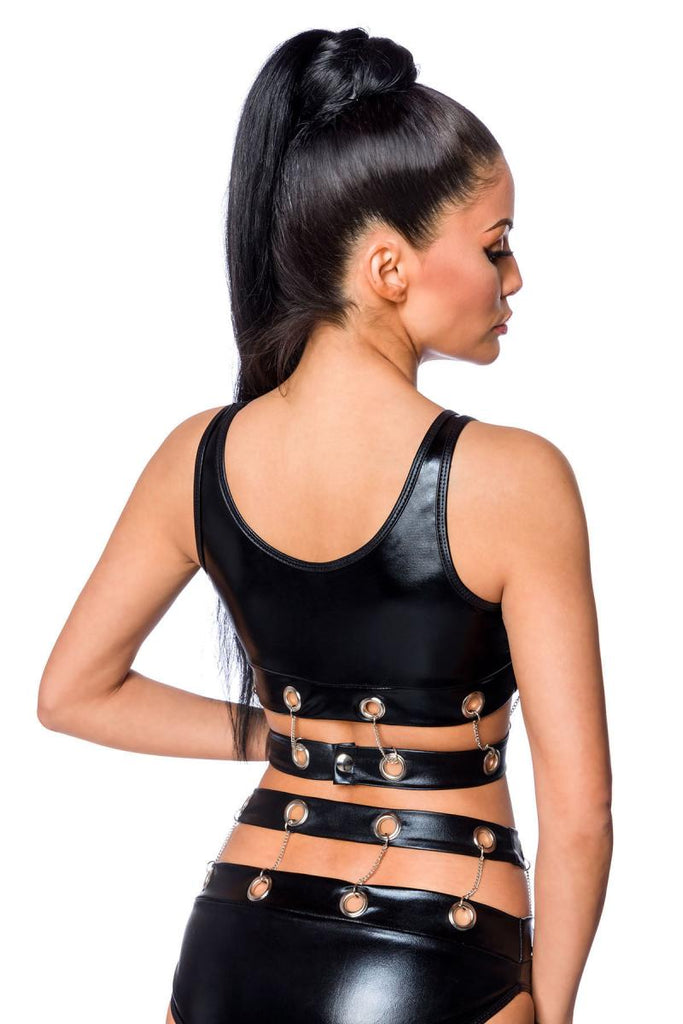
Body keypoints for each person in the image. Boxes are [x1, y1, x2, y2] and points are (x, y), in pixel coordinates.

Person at [37, 26, 613, 1024]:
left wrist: (300, 738)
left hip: (229, 943)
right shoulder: (514, 478)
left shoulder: (197, 455)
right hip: (435, 953)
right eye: (494, 245)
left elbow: (73, 692)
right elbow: (580, 812)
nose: (512, 278)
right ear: (388, 267)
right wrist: (549, 1011)